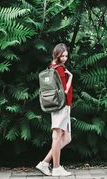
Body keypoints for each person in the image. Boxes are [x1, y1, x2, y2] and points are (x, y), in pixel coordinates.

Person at [36, 43, 73, 177]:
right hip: (62, 106)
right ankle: (56, 168)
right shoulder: (59, 70)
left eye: (66, 56)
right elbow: (65, 91)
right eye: (62, 56)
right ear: (56, 55)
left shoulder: (51, 68)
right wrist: (71, 77)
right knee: (57, 136)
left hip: (61, 106)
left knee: (67, 138)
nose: (64, 58)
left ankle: (45, 163)